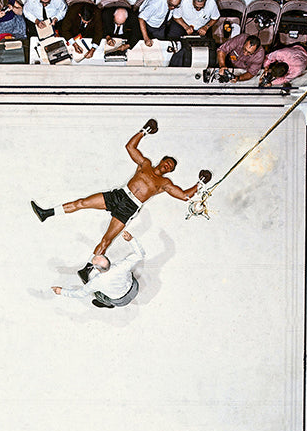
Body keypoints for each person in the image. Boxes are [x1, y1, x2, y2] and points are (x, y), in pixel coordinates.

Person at [31, 120, 209, 279]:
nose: (167, 166)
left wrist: (199, 184)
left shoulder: (164, 183)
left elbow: (184, 195)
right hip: (119, 195)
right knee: (82, 202)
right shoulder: (145, 164)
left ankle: (86, 269)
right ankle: (47, 212)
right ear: (161, 160)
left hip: (129, 208)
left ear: (169, 171)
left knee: (106, 240)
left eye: (170, 167)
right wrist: (143, 132)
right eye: (167, 162)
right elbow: (130, 147)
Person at [52, 230, 145, 308]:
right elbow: (140, 255)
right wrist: (131, 239)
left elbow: (80, 293)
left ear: (97, 269)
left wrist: (61, 291)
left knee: (97, 294)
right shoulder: (122, 265)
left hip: (120, 301)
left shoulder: (96, 282)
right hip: (135, 288)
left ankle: (107, 304)